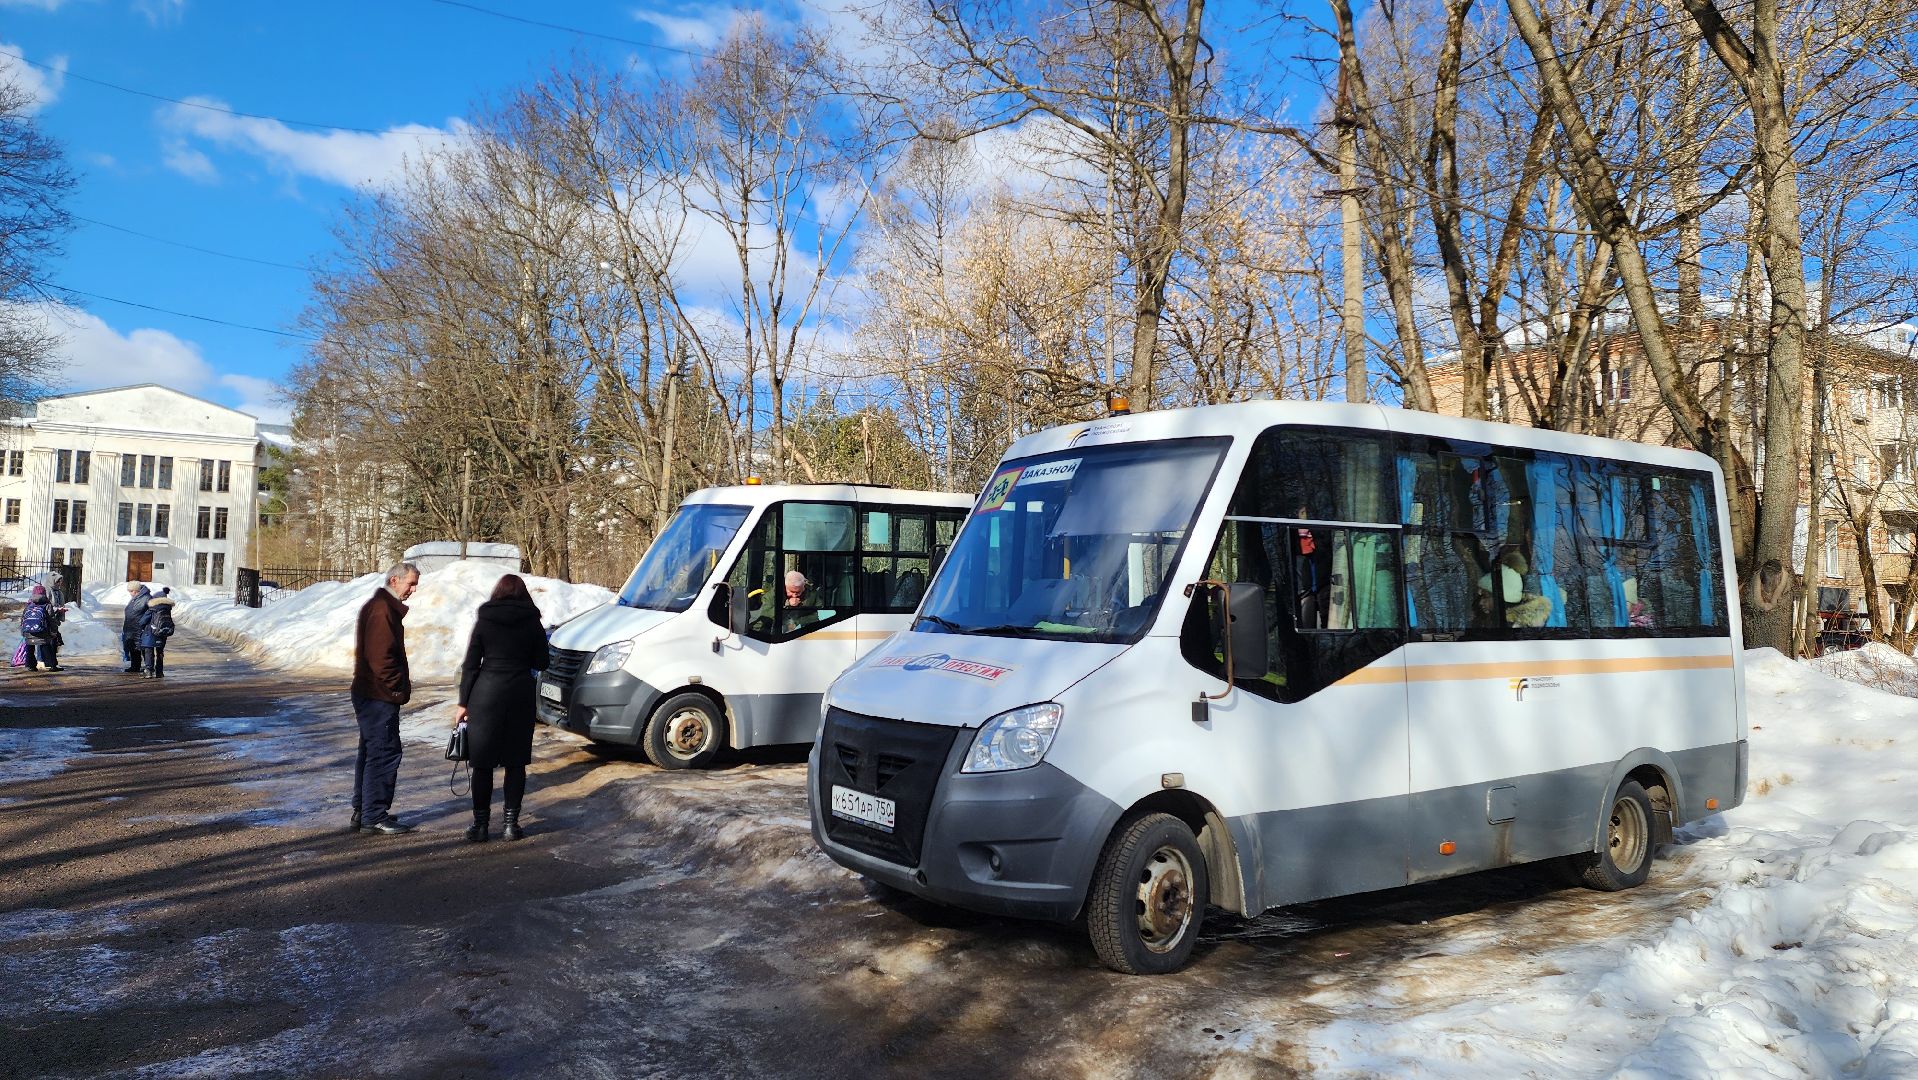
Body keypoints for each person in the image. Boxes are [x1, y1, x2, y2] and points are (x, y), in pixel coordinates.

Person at [453, 574, 548, 842]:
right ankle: (510, 825)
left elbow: (471, 665)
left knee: (482, 764)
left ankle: (480, 826)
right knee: (515, 763)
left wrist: (463, 702)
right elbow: (542, 662)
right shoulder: (533, 621)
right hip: (520, 694)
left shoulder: (485, 620)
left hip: (485, 695)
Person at [350, 562, 420, 836]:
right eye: (411, 583)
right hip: (378, 695)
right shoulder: (382, 609)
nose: (413, 590)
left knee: (371, 752)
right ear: (394, 580)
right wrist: (396, 688)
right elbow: (381, 659)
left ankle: (364, 810)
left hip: (372, 693)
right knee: (384, 753)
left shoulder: (380, 607)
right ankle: (374, 816)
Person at [20, 584, 63, 672]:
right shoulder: (47, 604)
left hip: (29, 631)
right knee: (46, 647)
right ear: (44, 593)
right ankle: (51, 665)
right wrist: (54, 631)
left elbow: (23, 619)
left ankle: (30, 665)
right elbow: (52, 620)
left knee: (29, 648)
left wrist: (23, 631)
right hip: (43, 631)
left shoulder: (29, 604)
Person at [139, 587, 176, 678]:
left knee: (149, 651)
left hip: (150, 633)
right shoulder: (167, 609)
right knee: (160, 652)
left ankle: (149, 671)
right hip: (162, 634)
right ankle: (159, 672)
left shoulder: (152, 609)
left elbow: (142, 621)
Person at [122, 583, 152, 673]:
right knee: (133, 647)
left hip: (141, 628)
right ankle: (135, 666)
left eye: (131, 591)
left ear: (137, 590)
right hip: (131, 628)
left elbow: (151, 612)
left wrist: (143, 622)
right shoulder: (135, 598)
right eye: (130, 591)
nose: (130, 593)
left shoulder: (147, 598)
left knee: (144, 648)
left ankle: (149, 667)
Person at [780, 569, 818, 634]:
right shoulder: (778, 593)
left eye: (797, 592)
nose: (794, 595)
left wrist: (798, 622)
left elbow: (819, 615)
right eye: (791, 591)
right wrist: (787, 605)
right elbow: (768, 612)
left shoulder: (813, 595)